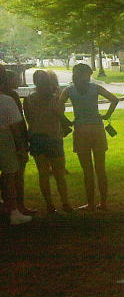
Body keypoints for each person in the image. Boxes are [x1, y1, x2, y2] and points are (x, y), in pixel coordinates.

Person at [59, 62, 119, 210]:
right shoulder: (95, 88)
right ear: (88, 74)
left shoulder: (69, 90)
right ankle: (103, 202)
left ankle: (91, 203)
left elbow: (57, 108)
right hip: (97, 128)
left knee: (87, 170)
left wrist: (67, 122)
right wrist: (106, 115)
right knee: (101, 168)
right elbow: (115, 99)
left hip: (80, 129)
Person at [22, 70, 72, 213]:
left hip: (37, 138)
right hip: (53, 137)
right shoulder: (56, 99)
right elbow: (60, 116)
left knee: (43, 174)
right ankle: (65, 203)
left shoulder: (28, 99)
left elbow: (29, 119)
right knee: (59, 174)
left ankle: (50, 204)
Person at [0, 84, 31, 225]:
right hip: (4, 138)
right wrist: (22, 148)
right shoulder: (7, 100)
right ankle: (13, 211)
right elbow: (15, 127)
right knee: (9, 176)